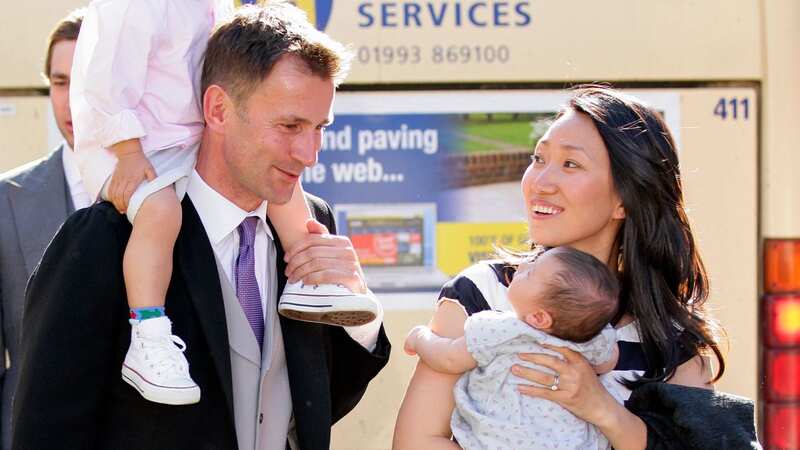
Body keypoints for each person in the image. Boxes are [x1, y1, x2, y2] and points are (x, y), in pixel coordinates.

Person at [12, 4, 390, 449]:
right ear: (217, 109)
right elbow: (47, 431)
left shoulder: (309, 223)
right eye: (289, 126)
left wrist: (358, 312)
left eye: (319, 128)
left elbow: (315, 403)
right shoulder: (107, 239)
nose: (310, 154)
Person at [393, 85, 725, 450]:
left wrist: (600, 408)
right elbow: (416, 441)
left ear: (624, 200)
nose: (540, 182)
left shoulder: (669, 335)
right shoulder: (482, 291)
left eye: (570, 164)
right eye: (538, 159)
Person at [404, 246, 621, 450]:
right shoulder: (593, 339)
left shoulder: (500, 329)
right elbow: (608, 359)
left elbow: (449, 358)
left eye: (530, 273)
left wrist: (419, 338)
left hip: (501, 440)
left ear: (538, 317)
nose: (523, 265)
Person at [0, 9, 87, 450]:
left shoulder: (172, 198)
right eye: (59, 82)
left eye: (85, 79)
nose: (70, 101)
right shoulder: (5, 200)